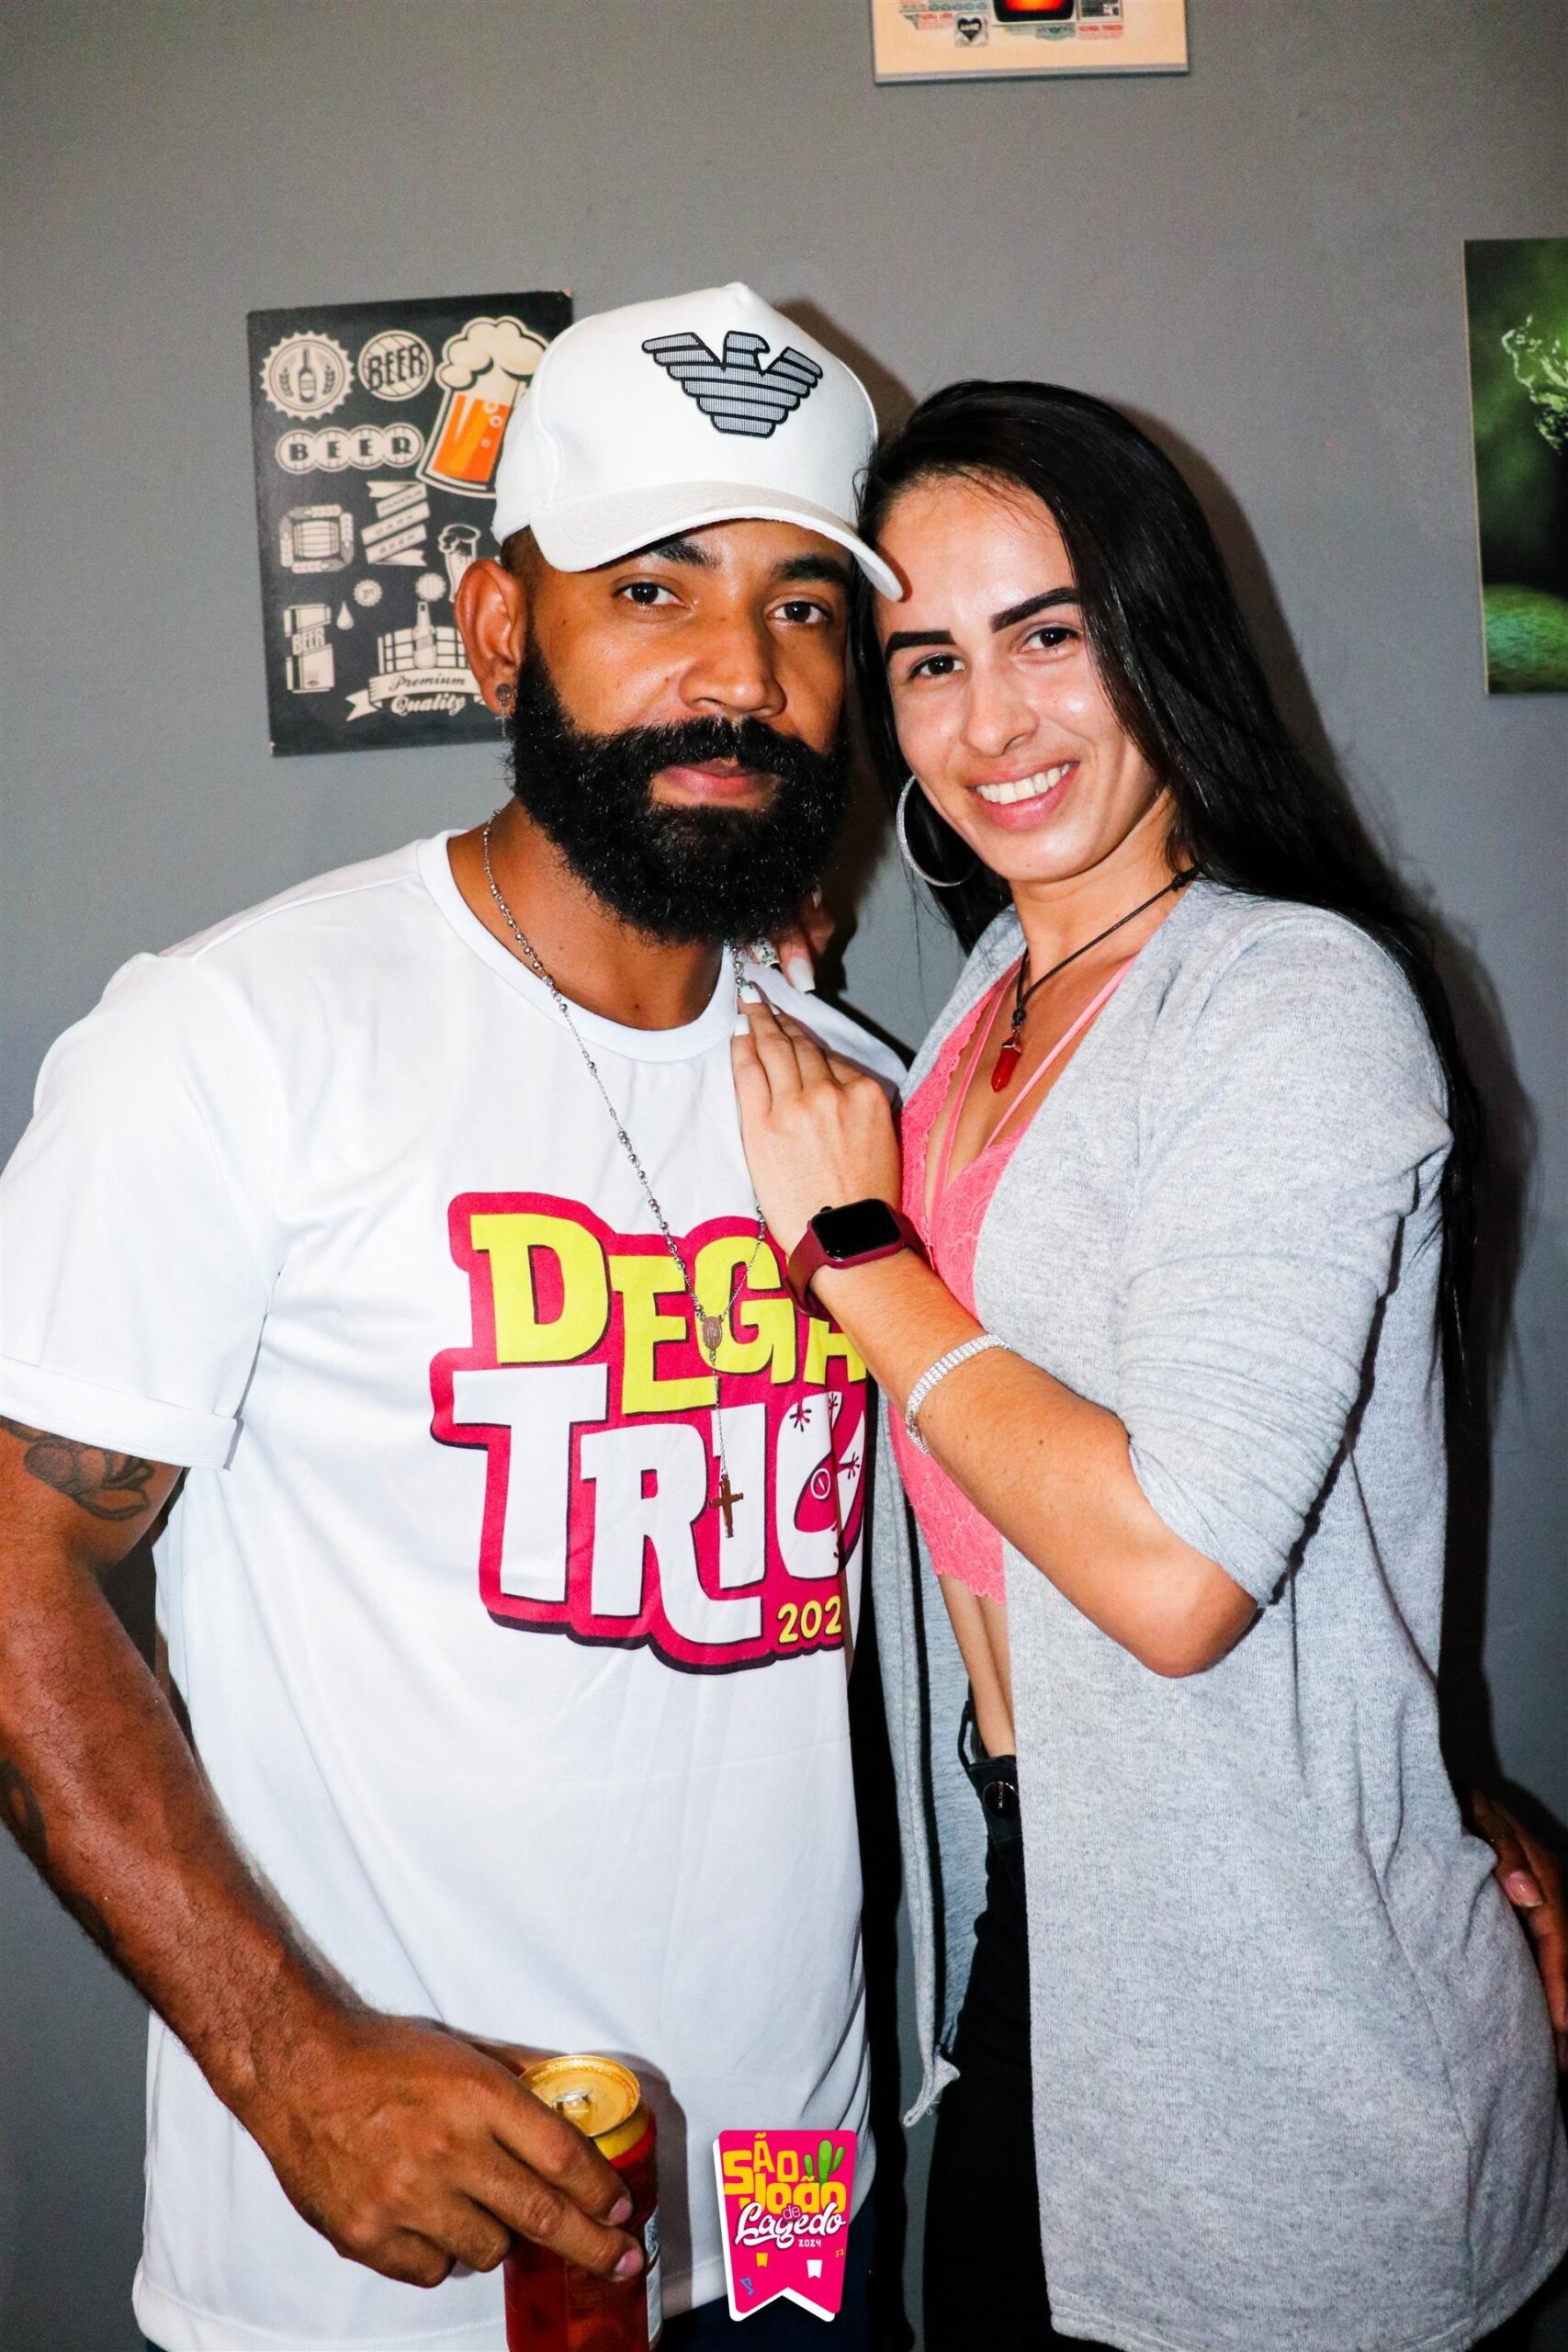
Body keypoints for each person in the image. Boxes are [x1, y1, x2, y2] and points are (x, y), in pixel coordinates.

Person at [0, 283, 907, 2352]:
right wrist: (292, 2059)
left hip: (789, 2210)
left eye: (800, 607)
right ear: (502, 632)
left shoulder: (851, 1093)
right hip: (388, 2251)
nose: (739, 675)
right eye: (653, 589)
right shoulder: (240, 1037)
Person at [729, 379, 1568, 2352]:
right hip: (1046, 1937)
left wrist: (857, 1252)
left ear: (1156, 635)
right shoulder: (982, 1010)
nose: (992, 722)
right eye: (929, 660)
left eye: (1048, 634)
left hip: (1282, 2030)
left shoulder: (1287, 997)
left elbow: (1184, 1576)